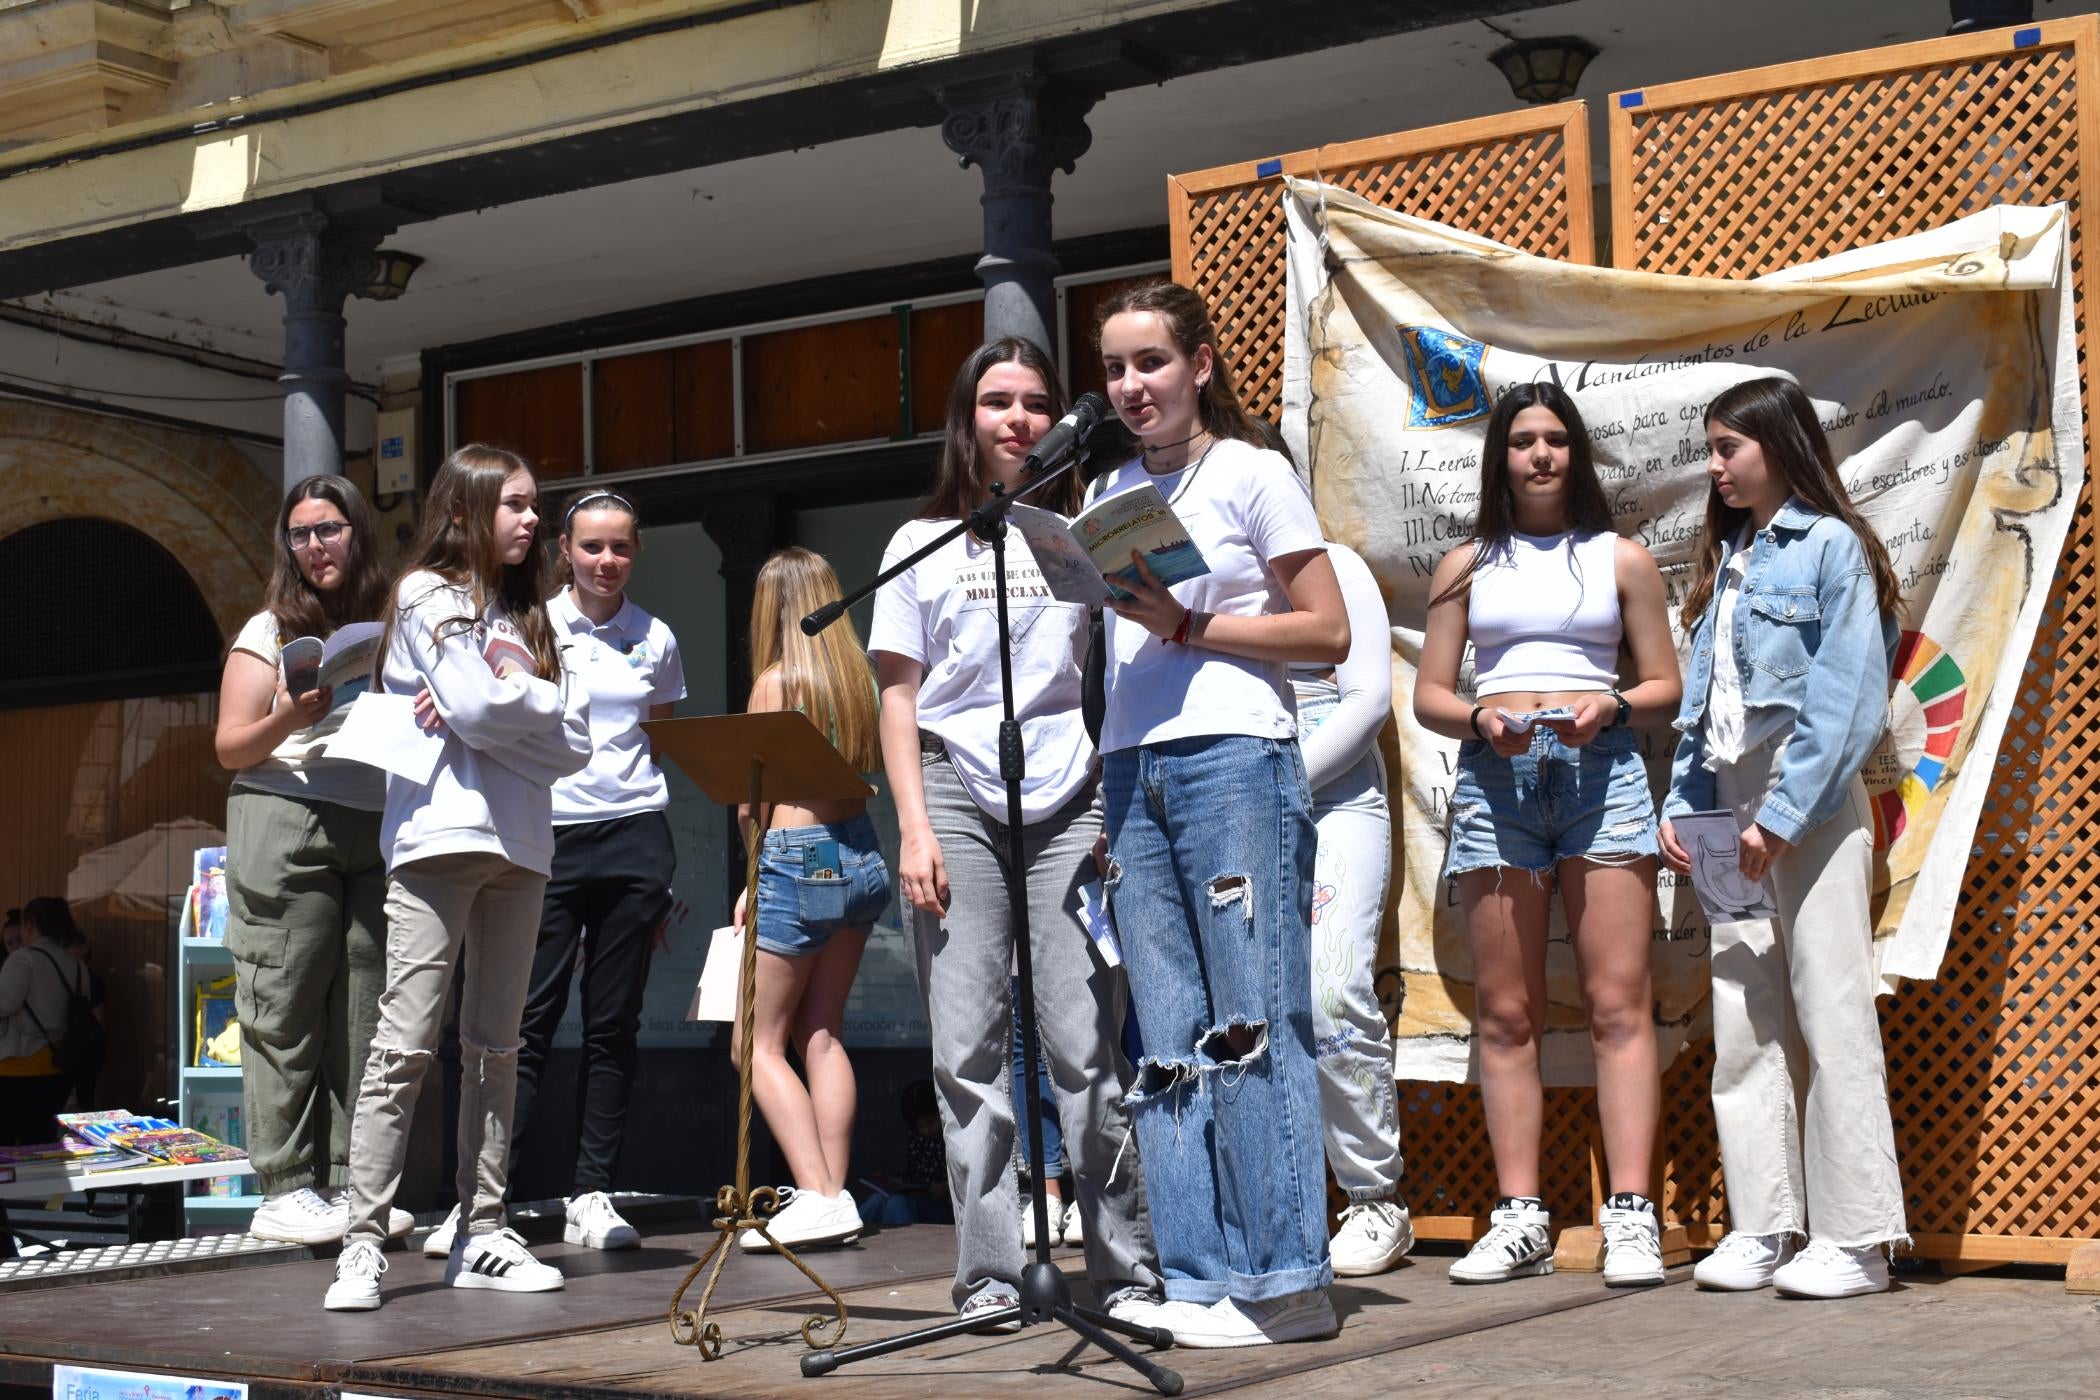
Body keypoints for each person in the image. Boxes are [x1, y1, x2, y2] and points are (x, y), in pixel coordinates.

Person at [869, 337, 1162, 1332]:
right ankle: (989, 1272)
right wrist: (914, 826)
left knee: (1086, 1043)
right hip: (955, 786)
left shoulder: (1086, 526)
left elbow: (1142, 653)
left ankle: (1126, 1267)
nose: (1020, 418)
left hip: (1070, 788)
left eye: (1037, 402)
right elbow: (899, 700)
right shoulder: (918, 540)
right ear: (967, 419)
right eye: (998, 400)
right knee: (968, 1048)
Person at [1090, 280, 1350, 1348]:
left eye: (1149, 361)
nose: (1130, 385)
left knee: (1249, 1022)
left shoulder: (1251, 471)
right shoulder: (1106, 487)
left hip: (1234, 754)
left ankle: (1286, 1281)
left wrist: (1194, 624)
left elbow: (1326, 628)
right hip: (1131, 765)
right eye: (1112, 368)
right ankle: (1197, 1276)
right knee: (1163, 1040)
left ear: (1199, 364)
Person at [1414, 382, 1681, 1288]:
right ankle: (1521, 1213)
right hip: (1498, 779)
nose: (1540, 454)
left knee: (1616, 1003)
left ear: (1577, 454)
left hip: (1601, 775)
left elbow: (1664, 688)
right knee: (1506, 1011)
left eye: (1556, 440)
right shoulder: (1466, 562)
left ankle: (1632, 1214)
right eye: (1523, 440)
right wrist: (1481, 719)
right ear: (1500, 456)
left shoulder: (1622, 557)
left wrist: (1609, 704)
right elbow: (1431, 695)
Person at [325, 445, 591, 1312]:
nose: (531, 520)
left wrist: (516, 698)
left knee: (496, 1049)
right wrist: (510, 706)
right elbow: (476, 711)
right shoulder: (425, 596)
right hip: (439, 838)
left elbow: (577, 742)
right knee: (403, 1046)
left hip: (522, 845)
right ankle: (362, 1243)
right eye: (515, 504)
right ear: (469, 507)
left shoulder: (534, 614)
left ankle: (484, 1228)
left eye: (534, 505)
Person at [1660, 376, 1907, 1300]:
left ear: (1778, 443)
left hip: (1802, 802)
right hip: (1731, 806)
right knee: (1743, 1011)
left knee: (1830, 1006)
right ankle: (1765, 1224)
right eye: (1712, 449)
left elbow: (1845, 698)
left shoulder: (1831, 547)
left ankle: (1858, 1237)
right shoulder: (1728, 561)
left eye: (1730, 447)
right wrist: (1687, 805)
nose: (1714, 466)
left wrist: (1780, 817)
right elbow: (1706, 707)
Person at [213, 474, 408, 1246]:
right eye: (301, 534)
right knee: (284, 1003)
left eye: (328, 529)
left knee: (366, 1016)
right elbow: (230, 744)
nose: (316, 545)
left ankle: (353, 1185)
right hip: (284, 812)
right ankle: (284, 1186)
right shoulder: (269, 628)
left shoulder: (388, 623)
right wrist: (291, 712)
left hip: (375, 819)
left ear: (357, 533)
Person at [493, 488, 685, 1256]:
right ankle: (484, 1197)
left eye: (621, 548)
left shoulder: (658, 637)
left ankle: (592, 1191)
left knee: (613, 1027)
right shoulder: (529, 626)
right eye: (592, 548)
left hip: (635, 836)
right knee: (525, 1023)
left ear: (637, 553)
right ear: (564, 551)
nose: (607, 562)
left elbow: (655, 739)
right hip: (549, 835)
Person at [730, 547, 890, 1254]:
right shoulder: (857, 679)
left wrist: (751, 876)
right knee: (821, 1032)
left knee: (752, 1044)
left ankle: (818, 1194)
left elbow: (750, 802)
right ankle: (837, 1194)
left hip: (798, 855)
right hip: (855, 848)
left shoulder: (775, 682)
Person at [1292, 538, 1411, 1277]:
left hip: (1334, 799)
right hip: (1220, 808)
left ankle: (1375, 1197)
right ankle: (1277, 1203)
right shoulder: (1196, 575)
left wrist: (1271, 790)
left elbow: (1368, 699)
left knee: (1331, 989)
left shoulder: (1335, 563)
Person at [0, 898, 88, 1144]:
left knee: (7, 1150)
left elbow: (3, 1004)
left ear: (30, 925)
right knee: (40, 1145)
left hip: (16, 1070)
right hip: (60, 1070)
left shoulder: (23, 959)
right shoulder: (77, 966)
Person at [856, 1078, 953, 1228]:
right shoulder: (917, 1139)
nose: (928, 1130)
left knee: (897, 1204)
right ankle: (850, 1227)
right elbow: (915, 1177)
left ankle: (904, 1247)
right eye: (921, 1126)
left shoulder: (953, 1138)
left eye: (931, 1122)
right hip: (920, 1197)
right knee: (878, 1199)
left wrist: (946, 1188)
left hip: (946, 1208)